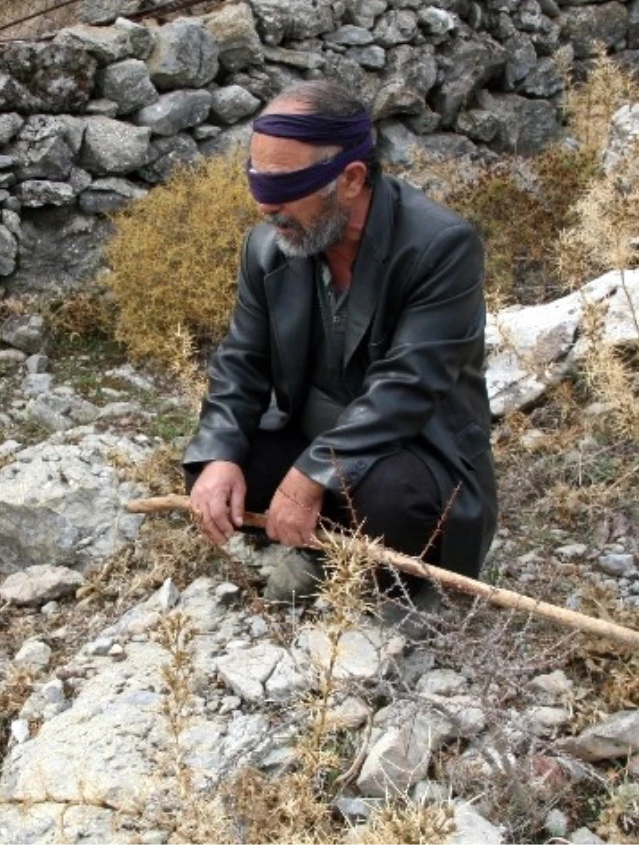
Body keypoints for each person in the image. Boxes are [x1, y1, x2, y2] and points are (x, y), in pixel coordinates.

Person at [183, 79, 498, 613]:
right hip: (313, 433)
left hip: (414, 449)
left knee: (391, 500)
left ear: (350, 180)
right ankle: (319, 545)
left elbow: (408, 387)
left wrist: (312, 475)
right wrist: (216, 454)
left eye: (286, 184)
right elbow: (242, 364)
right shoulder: (270, 247)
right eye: (256, 179)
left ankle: (383, 580)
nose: (264, 204)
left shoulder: (440, 246)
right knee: (221, 467)